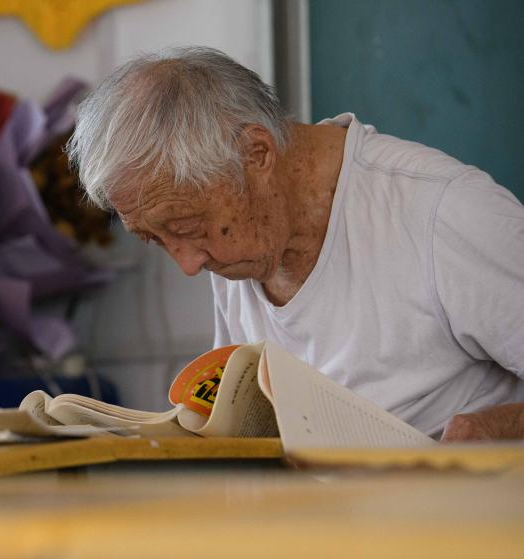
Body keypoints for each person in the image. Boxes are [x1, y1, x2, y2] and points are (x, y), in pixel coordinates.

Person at [67, 46, 524, 441]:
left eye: (188, 228)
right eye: (154, 239)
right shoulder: (241, 232)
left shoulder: (445, 212)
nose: (187, 264)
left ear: (257, 154)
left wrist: (498, 428)